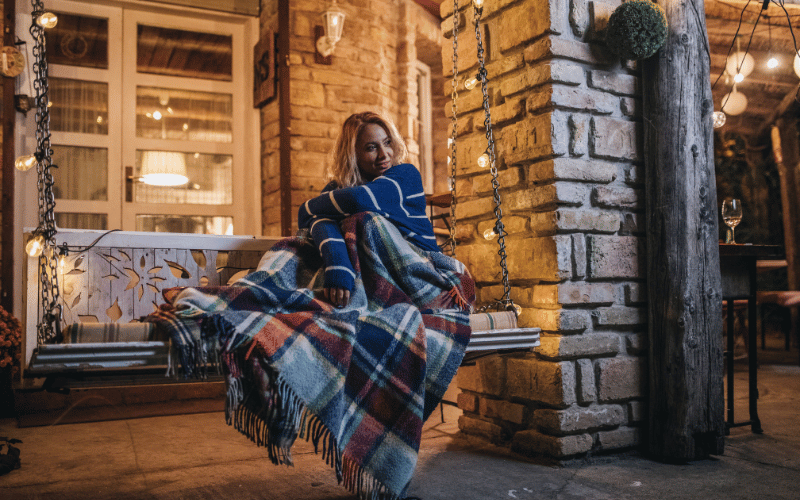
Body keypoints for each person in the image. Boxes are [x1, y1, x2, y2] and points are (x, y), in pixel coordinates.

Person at [297, 111, 440, 309]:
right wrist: (338, 263)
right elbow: (319, 222)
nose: (384, 154)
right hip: (372, 279)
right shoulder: (335, 191)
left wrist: (306, 208)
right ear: (352, 154)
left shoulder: (405, 176)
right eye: (371, 148)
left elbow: (359, 199)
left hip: (420, 273)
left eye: (387, 142)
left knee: (368, 221)